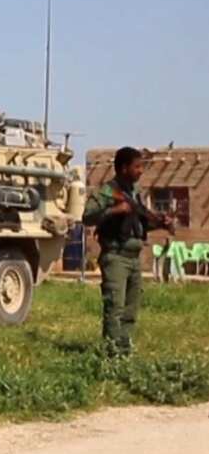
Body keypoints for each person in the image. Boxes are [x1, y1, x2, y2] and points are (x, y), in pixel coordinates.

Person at [82, 146, 173, 357]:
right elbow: (87, 217)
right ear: (124, 168)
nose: (141, 171)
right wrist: (115, 210)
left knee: (131, 310)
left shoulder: (135, 193)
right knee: (115, 307)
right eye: (137, 167)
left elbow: (139, 225)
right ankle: (111, 354)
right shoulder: (107, 192)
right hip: (116, 257)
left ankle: (124, 351)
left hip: (134, 258)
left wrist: (161, 223)